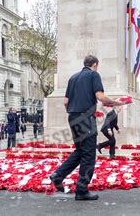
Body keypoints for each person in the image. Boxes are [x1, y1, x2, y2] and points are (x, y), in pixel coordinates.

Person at [49, 55, 124, 201]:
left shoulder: (73, 78)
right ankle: (82, 190)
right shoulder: (93, 75)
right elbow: (100, 97)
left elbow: (66, 102)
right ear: (95, 65)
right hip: (86, 118)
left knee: (81, 150)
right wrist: (116, 102)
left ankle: (58, 175)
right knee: (89, 155)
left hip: (73, 117)